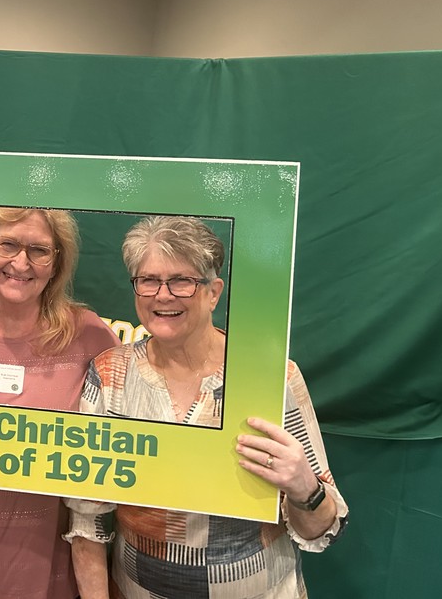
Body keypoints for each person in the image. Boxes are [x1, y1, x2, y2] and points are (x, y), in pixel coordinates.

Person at [67, 216, 349, 599]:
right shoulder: (110, 374)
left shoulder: (271, 378)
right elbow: (88, 519)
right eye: (148, 280)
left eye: (181, 281)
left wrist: (305, 489)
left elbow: (323, 529)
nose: (162, 295)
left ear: (213, 292)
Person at [0, 207, 119, 599]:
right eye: (8, 244)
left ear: (56, 262)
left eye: (39, 250)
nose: (21, 263)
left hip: (51, 578)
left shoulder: (91, 337)